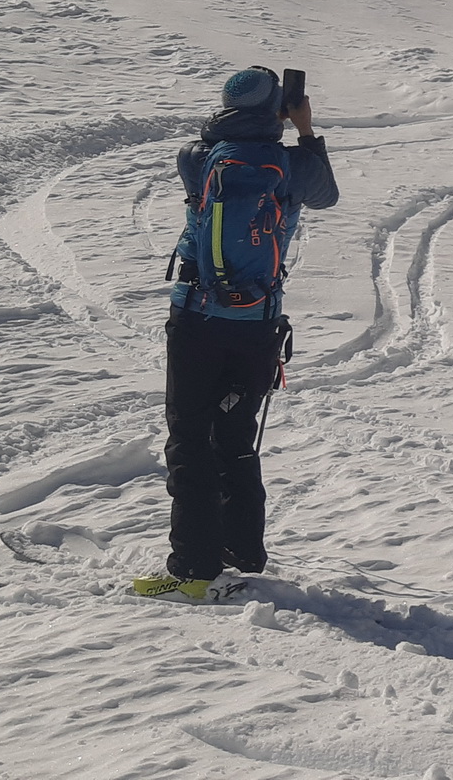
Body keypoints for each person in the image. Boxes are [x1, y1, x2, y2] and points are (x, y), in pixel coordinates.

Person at [133, 66, 338, 600]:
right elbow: (326, 197)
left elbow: (204, 163)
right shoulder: (292, 165)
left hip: (197, 319)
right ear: (279, 109)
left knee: (190, 441)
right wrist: (305, 131)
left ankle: (193, 571)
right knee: (235, 434)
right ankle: (241, 548)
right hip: (259, 323)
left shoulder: (196, 159)